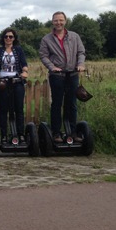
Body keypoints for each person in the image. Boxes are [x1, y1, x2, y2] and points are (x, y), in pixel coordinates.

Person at [39, 11, 86, 143]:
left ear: (65, 21)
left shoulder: (74, 36)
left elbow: (81, 52)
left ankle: (72, 131)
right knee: (57, 104)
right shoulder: (47, 39)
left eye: (61, 20)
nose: (58, 23)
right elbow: (43, 55)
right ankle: (56, 133)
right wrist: (51, 66)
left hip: (72, 74)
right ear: (52, 22)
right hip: (57, 75)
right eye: (56, 20)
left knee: (71, 104)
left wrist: (81, 64)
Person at [0, 28, 29, 143]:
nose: (8, 38)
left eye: (11, 36)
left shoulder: (18, 50)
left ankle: (20, 134)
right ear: (3, 38)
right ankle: (3, 135)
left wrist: (25, 72)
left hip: (16, 81)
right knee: (3, 109)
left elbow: (24, 64)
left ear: (14, 38)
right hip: (3, 82)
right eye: (6, 36)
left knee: (19, 109)